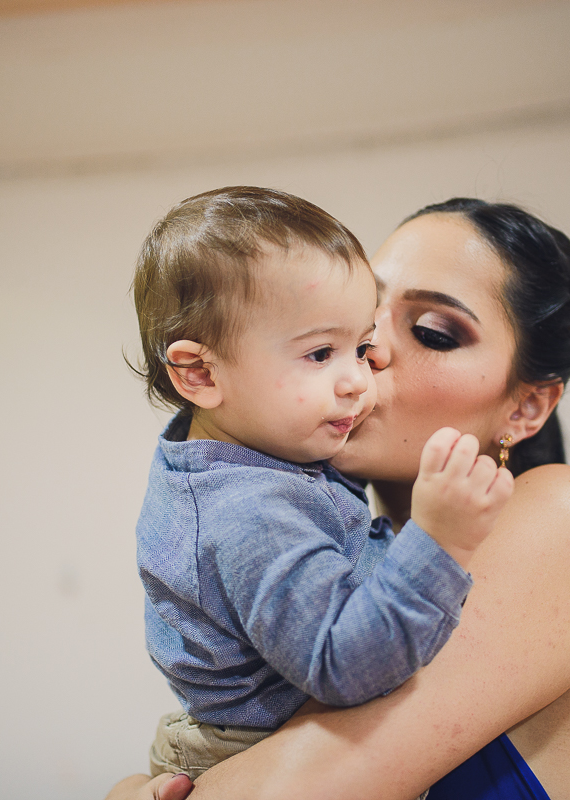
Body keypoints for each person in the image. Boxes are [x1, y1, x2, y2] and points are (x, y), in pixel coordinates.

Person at [108, 197, 570, 800]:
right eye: (359, 319)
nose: (366, 353)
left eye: (432, 332)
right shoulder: (306, 532)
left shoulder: (566, 516)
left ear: (525, 406)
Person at [132, 188, 514, 781]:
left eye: (358, 347)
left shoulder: (255, 454)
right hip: (250, 755)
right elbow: (345, 663)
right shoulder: (250, 511)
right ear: (201, 373)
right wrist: (439, 542)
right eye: (319, 354)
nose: (359, 377)